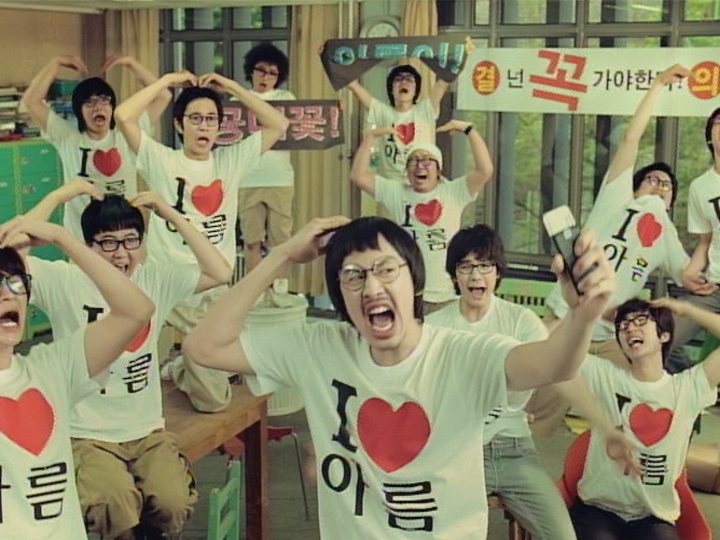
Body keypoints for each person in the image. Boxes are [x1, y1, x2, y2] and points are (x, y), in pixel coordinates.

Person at [183, 215, 617, 540]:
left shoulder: (463, 353)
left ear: (415, 278)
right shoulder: (318, 347)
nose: (372, 287)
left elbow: (553, 365)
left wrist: (583, 315)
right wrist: (279, 258)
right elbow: (203, 347)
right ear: (339, 294)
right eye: (353, 276)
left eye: (386, 269)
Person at [20, 181, 231, 540]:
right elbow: (8, 253)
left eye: (131, 240)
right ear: (87, 246)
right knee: (112, 505)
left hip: (146, 430)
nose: (121, 254)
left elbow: (221, 273)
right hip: (85, 432)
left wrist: (170, 214)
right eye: (107, 243)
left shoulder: (154, 278)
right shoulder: (64, 280)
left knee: (172, 502)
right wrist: (57, 198)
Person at [532, 64, 713, 436]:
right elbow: (632, 137)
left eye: (667, 184)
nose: (659, 185)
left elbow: (694, 276)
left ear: (672, 201)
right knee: (540, 403)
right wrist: (658, 85)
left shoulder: (666, 235)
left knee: (632, 409)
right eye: (651, 179)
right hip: (568, 318)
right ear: (635, 186)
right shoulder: (616, 198)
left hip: (616, 336)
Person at [427, 224, 636, 540]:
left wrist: (607, 428)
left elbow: (562, 374)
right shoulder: (433, 327)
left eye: (484, 266)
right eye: (465, 266)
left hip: (515, 451)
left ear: (498, 272)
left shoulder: (519, 320)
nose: (475, 275)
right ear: (454, 275)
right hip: (458, 452)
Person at [114, 70, 289, 412]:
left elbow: (278, 124)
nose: (204, 126)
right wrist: (166, 81)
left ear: (219, 126)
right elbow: (123, 116)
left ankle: (182, 367)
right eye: (195, 118)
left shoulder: (230, 160)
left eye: (211, 119)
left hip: (212, 284)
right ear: (179, 125)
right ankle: (182, 361)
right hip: (168, 282)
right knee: (145, 375)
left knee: (214, 400)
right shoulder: (162, 160)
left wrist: (234, 88)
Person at [0, 218, 153, 540]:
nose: (8, 296)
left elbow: (137, 310)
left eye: (15, 283)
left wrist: (62, 238)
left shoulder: (52, 367)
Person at [565, 296, 720, 540]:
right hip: (597, 509)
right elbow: (559, 351)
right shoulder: (606, 375)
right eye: (623, 325)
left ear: (664, 335)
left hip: (653, 515)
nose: (630, 328)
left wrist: (688, 309)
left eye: (640, 321)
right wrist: (588, 314)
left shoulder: (688, 387)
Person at [21, 55, 171, 240]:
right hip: (81, 238)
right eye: (89, 102)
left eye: (104, 100)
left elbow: (163, 96)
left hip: (125, 233)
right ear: (79, 110)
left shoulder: (128, 133)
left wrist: (131, 63)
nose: (98, 107)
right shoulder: (68, 136)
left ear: (113, 106)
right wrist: (55, 62)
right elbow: (32, 101)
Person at [350, 120, 493, 313]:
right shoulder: (397, 192)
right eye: (413, 161)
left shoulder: (454, 192)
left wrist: (469, 130)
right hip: (407, 293)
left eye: (427, 160)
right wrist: (370, 137)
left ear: (439, 170)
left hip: (446, 295)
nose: (419, 165)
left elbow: (485, 170)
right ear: (407, 171)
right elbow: (358, 176)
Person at [238, 43, 296, 292]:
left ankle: (280, 289)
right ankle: (255, 291)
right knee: (252, 240)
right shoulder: (238, 99)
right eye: (261, 70)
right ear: (251, 71)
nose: (266, 77)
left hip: (280, 179)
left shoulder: (287, 99)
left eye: (272, 73)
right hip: (247, 180)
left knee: (280, 241)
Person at [667, 106, 720, 368]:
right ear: (710, 135)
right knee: (663, 339)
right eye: (719, 123)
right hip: (714, 287)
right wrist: (690, 272)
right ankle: (691, 386)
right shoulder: (701, 186)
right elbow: (705, 242)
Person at [347, 64, 449, 181]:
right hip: (390, 184)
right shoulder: (383, 112)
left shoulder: (425, 110)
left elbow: (442, 84)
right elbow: (354, 86)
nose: (403, 82)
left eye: (409, 79)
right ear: (391, 89)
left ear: (416, 90)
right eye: (398, 79)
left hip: (420, 182)